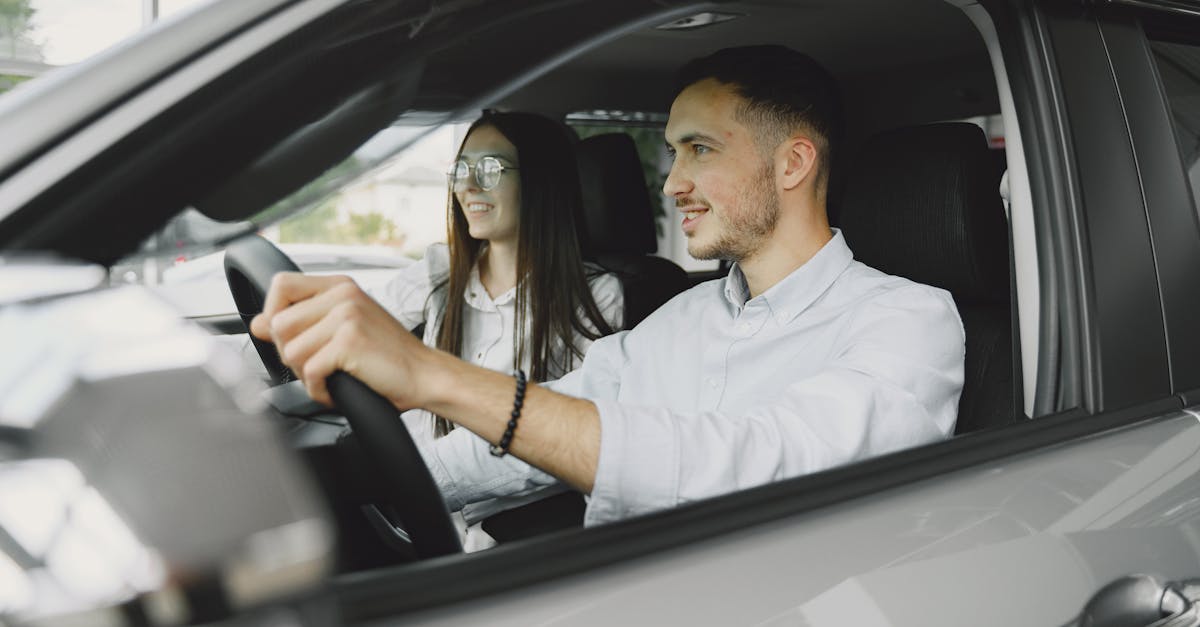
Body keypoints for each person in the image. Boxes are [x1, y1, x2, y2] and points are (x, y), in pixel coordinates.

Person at [252, 45, 964, 529]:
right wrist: (344, 482)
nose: (674, 181)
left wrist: (432, 377)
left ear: (793, 164)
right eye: (672, 152)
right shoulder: (678, 321)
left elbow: (755, 463)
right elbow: (539, 429)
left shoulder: (908, 322)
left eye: (700, 149)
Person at [366, 111, 623, 549]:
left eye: (489, 169)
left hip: (504, 535)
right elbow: (357, 327)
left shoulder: (597, 295)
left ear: (539, 182)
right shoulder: (440, 271)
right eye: (462, 169)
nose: (467, 187)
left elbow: (570, 435)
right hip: (411, 514)